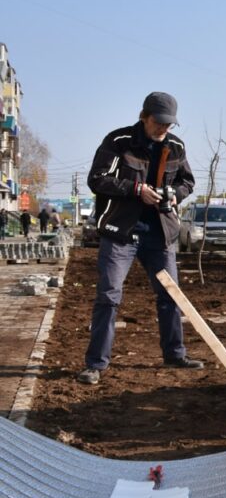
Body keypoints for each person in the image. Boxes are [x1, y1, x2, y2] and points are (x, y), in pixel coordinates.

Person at [77, 91, 203, 385]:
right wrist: (136, 190)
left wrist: (175, 195)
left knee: (170, 295)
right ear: (144, 117)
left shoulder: (176, 146)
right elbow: (97, 179)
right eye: (158, 122)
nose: (163, 128)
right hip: (121, 233)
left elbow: (187, 182)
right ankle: (95, 364)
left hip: (159, 233)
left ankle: (175, 354)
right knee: (109, 295)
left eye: (169, 124)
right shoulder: (118, 142)